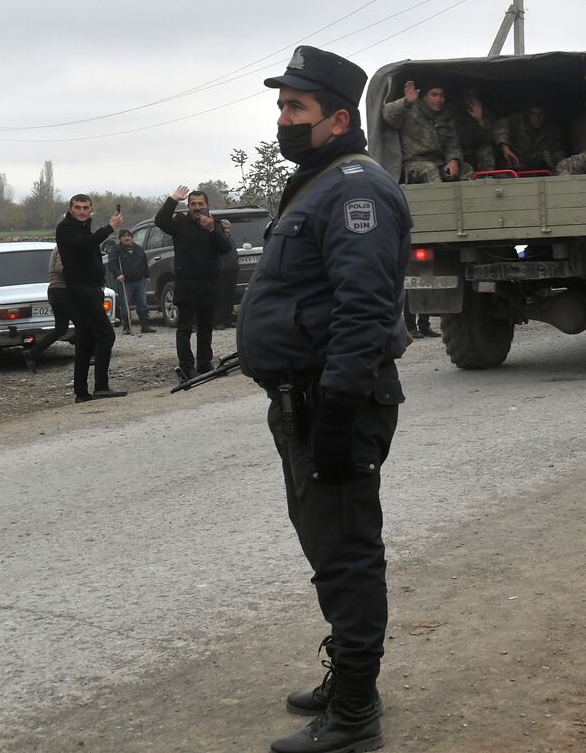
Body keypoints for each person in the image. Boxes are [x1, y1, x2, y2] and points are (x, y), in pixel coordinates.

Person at [239, 45, 411, 753]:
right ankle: (350, 679)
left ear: (338, 118)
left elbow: (364, 309)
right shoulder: (319, 182)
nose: (283, 119)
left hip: (336, 402)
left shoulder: (355, 189)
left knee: (346, 554)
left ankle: (354, 717)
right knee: (328, 547)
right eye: (280, 105)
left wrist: (336, 411)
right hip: (304, 400)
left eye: (294, 108)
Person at [156, 187, 232, 381]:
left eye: (200, 204)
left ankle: (205, 364)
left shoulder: (215, 224)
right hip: (187, 284)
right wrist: (173, 199)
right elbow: (160, 221)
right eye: (193, 204)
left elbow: (225, 248)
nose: (197, 208)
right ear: (188, 206)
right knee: (185, 329)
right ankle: (187, 368)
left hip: (208, 284)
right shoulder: (180, 222)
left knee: (206, 328)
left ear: (207, 205)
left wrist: (212, 230)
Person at [54, 194, 126, 402]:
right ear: (70, 208)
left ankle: (81, 392)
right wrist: (109, 228)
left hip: (91, 289)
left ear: (91, 209)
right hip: (81, 290)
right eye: (78, 207)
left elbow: (88, 246)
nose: (82, 211)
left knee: (85, 340)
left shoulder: (83, 227)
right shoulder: (66, 228)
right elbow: (83, 245)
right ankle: (101, 386)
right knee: (106, 335)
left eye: (86, 207)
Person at [382, 80, 469, 183]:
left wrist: (453, 160)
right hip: (412, 164)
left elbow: (452, 143)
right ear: (424, 97)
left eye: (442, 95)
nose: (439, 99)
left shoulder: (446, 117)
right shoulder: (410, 111)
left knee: (466, 168)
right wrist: (406, 102)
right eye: (434, 95)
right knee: (429, 169)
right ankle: (441, 199)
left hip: (438, 162)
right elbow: (388, 115)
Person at [22, 247, 71, 371]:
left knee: (61, 328)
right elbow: (61, 269)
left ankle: (33, 352)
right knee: (81, 325)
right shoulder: (63, 247)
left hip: (56, 291)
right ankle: (89, 354)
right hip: (62, 290)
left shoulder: (59, 247)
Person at [105, 229, 155, 335]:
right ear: (120, 238)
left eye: (128, 236)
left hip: (140, 280)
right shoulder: (116, 250)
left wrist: (147, 275)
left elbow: (144, 263)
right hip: (125, 282)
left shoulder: (139, 249)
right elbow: (112, 264)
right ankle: (127, 327)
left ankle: (145, 326)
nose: (127, 238)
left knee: (142, 304)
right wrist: (118, 274)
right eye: (124, 236)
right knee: (125, 305)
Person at [494, 104, 565, 172]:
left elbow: (558, 156)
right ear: (527, 114)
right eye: (533, 113)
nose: (537, 118)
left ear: (545, 115)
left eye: (540, 114)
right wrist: (505, 148)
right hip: (512, 171)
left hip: (535, 173)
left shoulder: (552, 132)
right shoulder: (517, 122)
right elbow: (501, 125)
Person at [453, 89, 498, 173]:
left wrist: (480, 120)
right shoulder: (455, 113)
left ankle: (488, 177)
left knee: (486, 149)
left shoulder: (485, 113)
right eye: (468, 97)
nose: (471, 100)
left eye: (474, 97)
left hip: (477, 153)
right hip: (460, 152)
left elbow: (489, 139)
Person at [215, 218, 239, 328]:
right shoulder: (219, 240)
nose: (227, 230)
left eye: (229, 228)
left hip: (232, 271)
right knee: (221, 297)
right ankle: (218, 320)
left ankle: (228, 319)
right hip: (222, 272)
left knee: (230, 297)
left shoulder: (231, 240)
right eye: (225, 228)